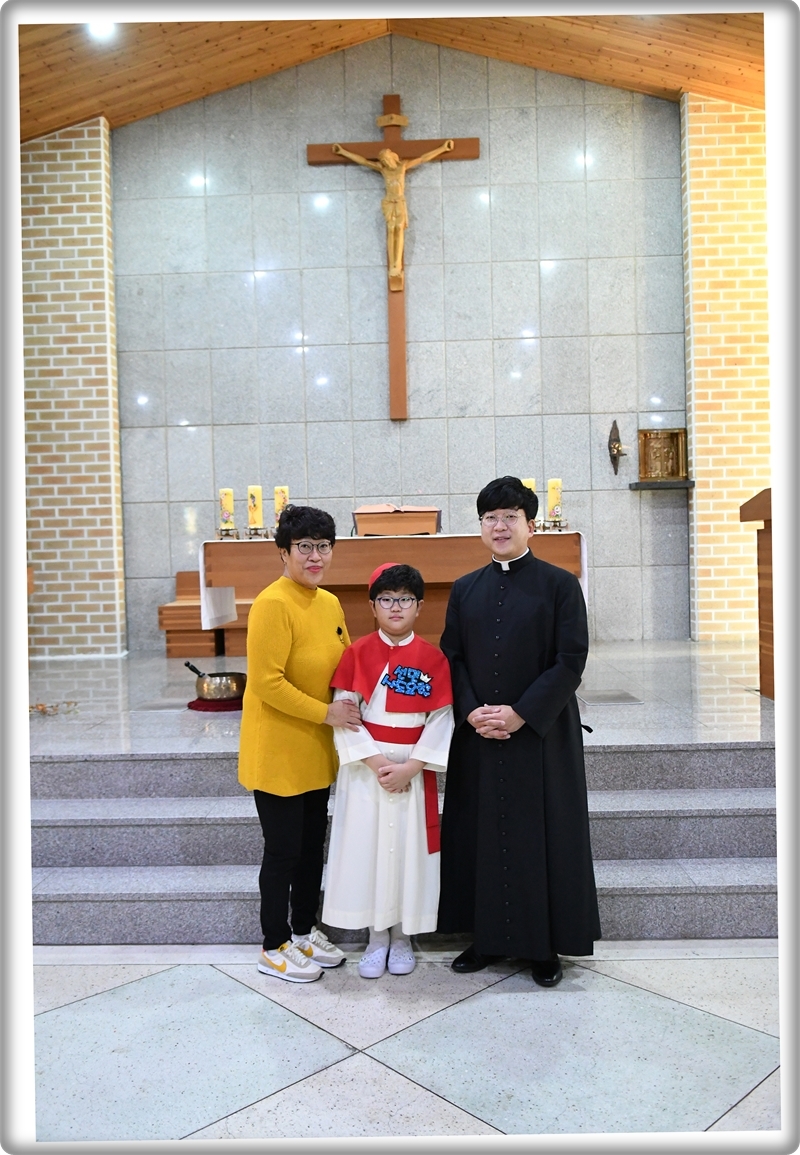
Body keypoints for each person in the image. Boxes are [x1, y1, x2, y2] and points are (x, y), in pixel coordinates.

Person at [437, 476, 600, 987]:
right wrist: (472, 712)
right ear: (481, 527)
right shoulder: (465, 588)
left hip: (541, 735)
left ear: (531, 524)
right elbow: (452, 657)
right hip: (479, 735)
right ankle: (484, 939)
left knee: (540, 835)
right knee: (481, 834)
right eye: (490, 518)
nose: (500, 526)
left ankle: (544, 947)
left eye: (510, 516)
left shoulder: (560, 585)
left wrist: (521, 713)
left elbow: (570, 659)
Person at [238, 504, 362, 983]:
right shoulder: (272, 604)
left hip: (315, 748)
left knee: (311, 849)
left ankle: (304, 932)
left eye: (323, 546)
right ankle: (273, 945)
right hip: (278, 752)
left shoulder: (328, 602)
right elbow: (266, 682)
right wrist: (327, 713)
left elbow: (346, 663)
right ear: (284, 552)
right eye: (305, 546)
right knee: (283, 851)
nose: (315, 556)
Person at [322, 563, 454, 978]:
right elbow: (344, 714)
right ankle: (376, 937)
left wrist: (411, 767)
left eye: (405, 599)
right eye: (387, 599)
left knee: (408, 855)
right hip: (368, 773)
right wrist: (379, 764)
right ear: (372, 606)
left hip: (413, 773)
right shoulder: (356, 654)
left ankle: (402, 937)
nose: (396, 607)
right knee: (368, 851)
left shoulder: (433, 658)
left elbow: (442, 720)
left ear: (419, 607)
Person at [331, 139, 454, 288]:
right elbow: (363, 161)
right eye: (383, 161)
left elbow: (422, 158)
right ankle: (393, 265)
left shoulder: (403, 166)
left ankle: (397, 263)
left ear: (393, 158)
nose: (386, 162)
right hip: (389, 202)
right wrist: (343, 152)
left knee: (399, 228)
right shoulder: (383, 169)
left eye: (387, 159)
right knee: (390, 229)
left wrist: (442, 149)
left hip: (400, 201)